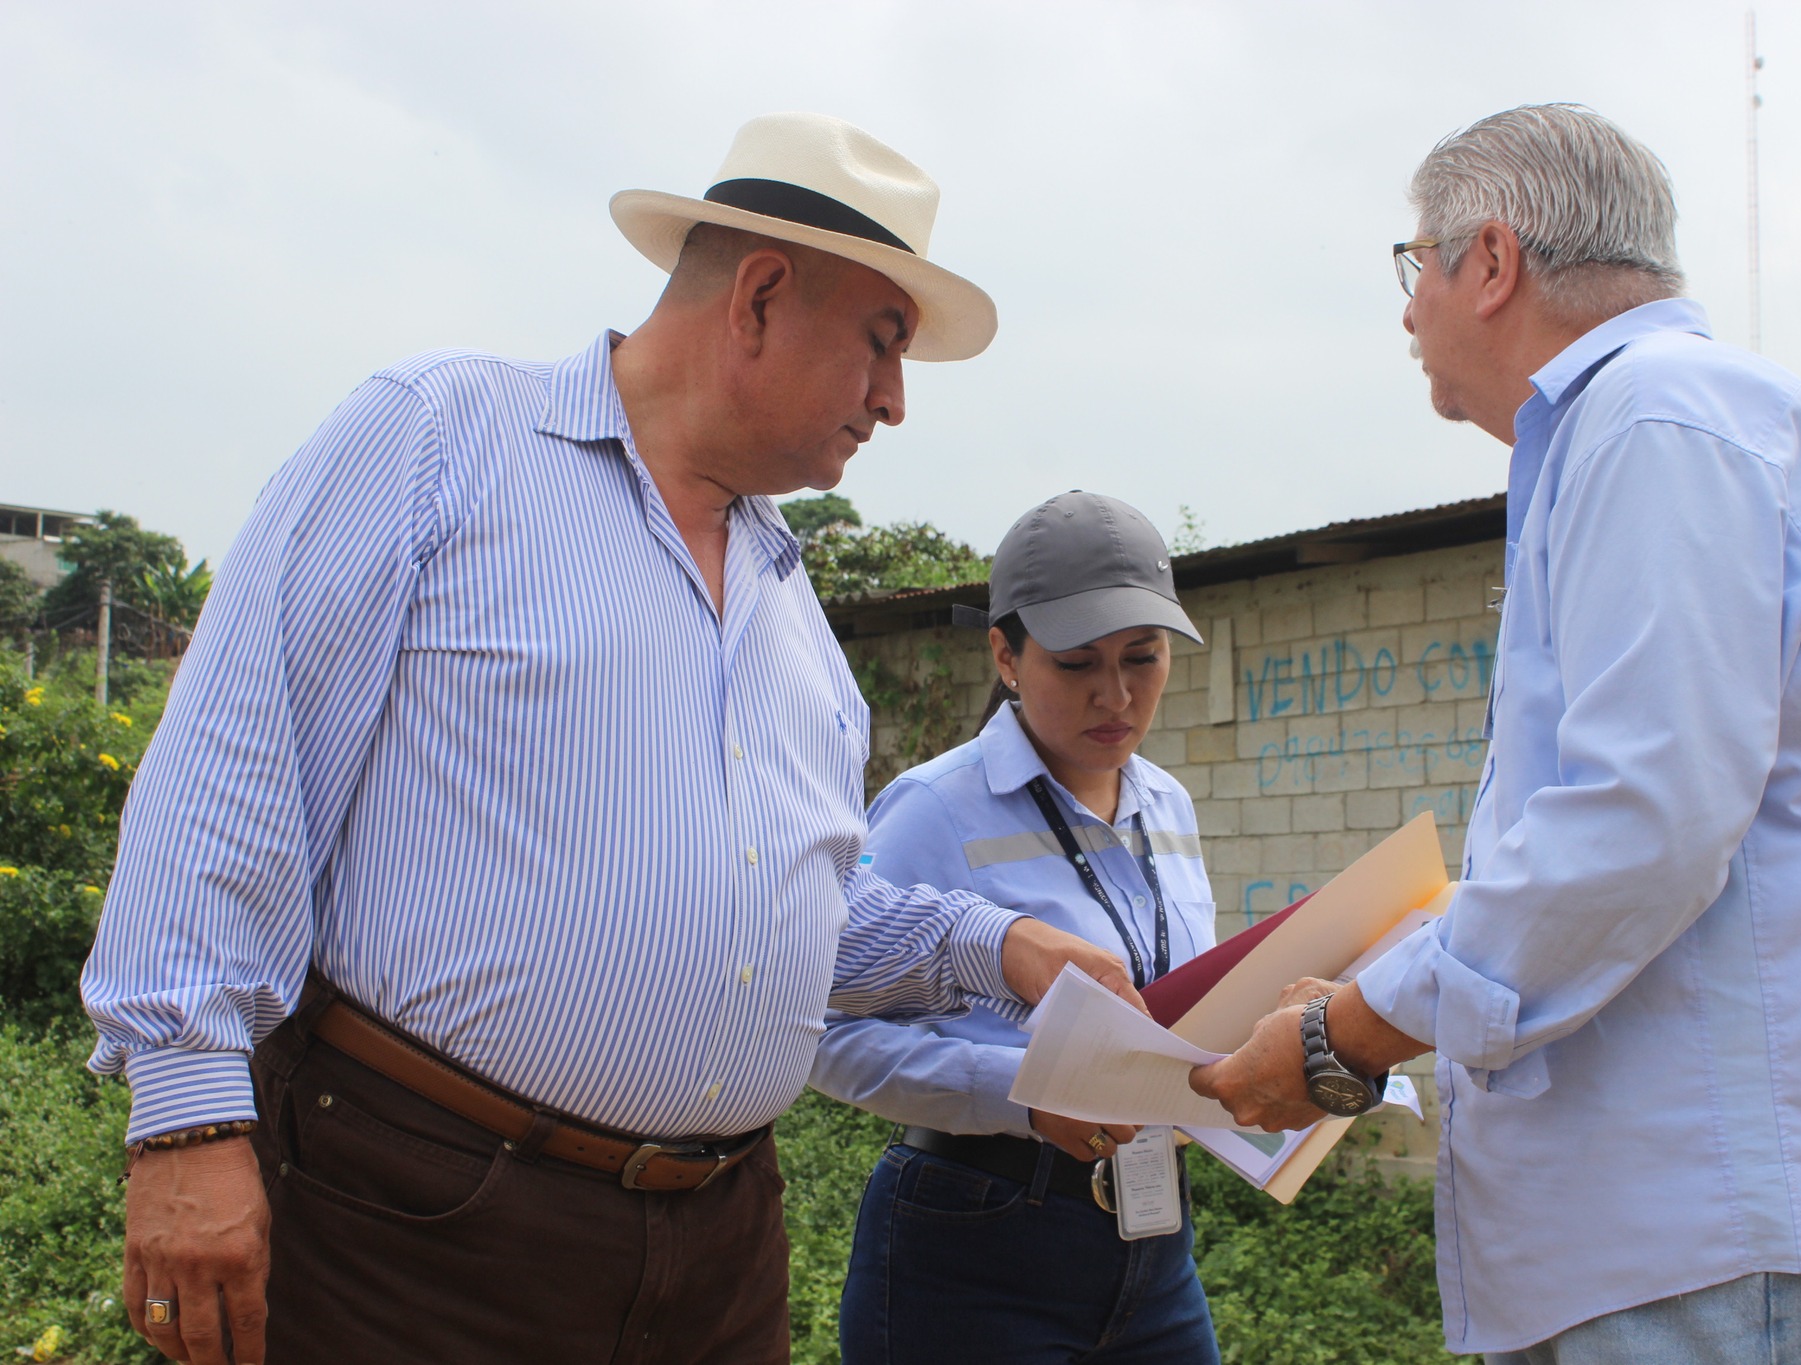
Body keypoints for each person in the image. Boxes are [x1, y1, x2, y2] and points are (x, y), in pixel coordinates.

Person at [79, 113, 1143, 1365]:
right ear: (758, 296)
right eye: (882, 340)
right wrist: (189, 1119)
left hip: (715, 1252)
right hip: (419, 1218)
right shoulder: (442, 440)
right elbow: (237, 767)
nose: (894, 402)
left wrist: (996, 945)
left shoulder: (789, 608)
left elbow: (790, 907)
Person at [1192, 103, 1801, 1364]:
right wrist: (1369, 997)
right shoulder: (1654, 428)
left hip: (1724, 1248)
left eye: (1416, 268)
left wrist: (1341, 1035)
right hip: (1702, 1250)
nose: (1408, 315)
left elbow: (1640, 823)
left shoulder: (1654, 418)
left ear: (1491, 262)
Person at [811, 490, 1220, 1365]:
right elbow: (823, 1030)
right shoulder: (935, 807)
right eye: (1075, 664)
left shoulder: (1170, 806)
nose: (1116, 695)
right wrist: (1020, 1096)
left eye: (1143, 658)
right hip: (975, 1243)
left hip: (1154, 1242)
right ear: (1005, 654)